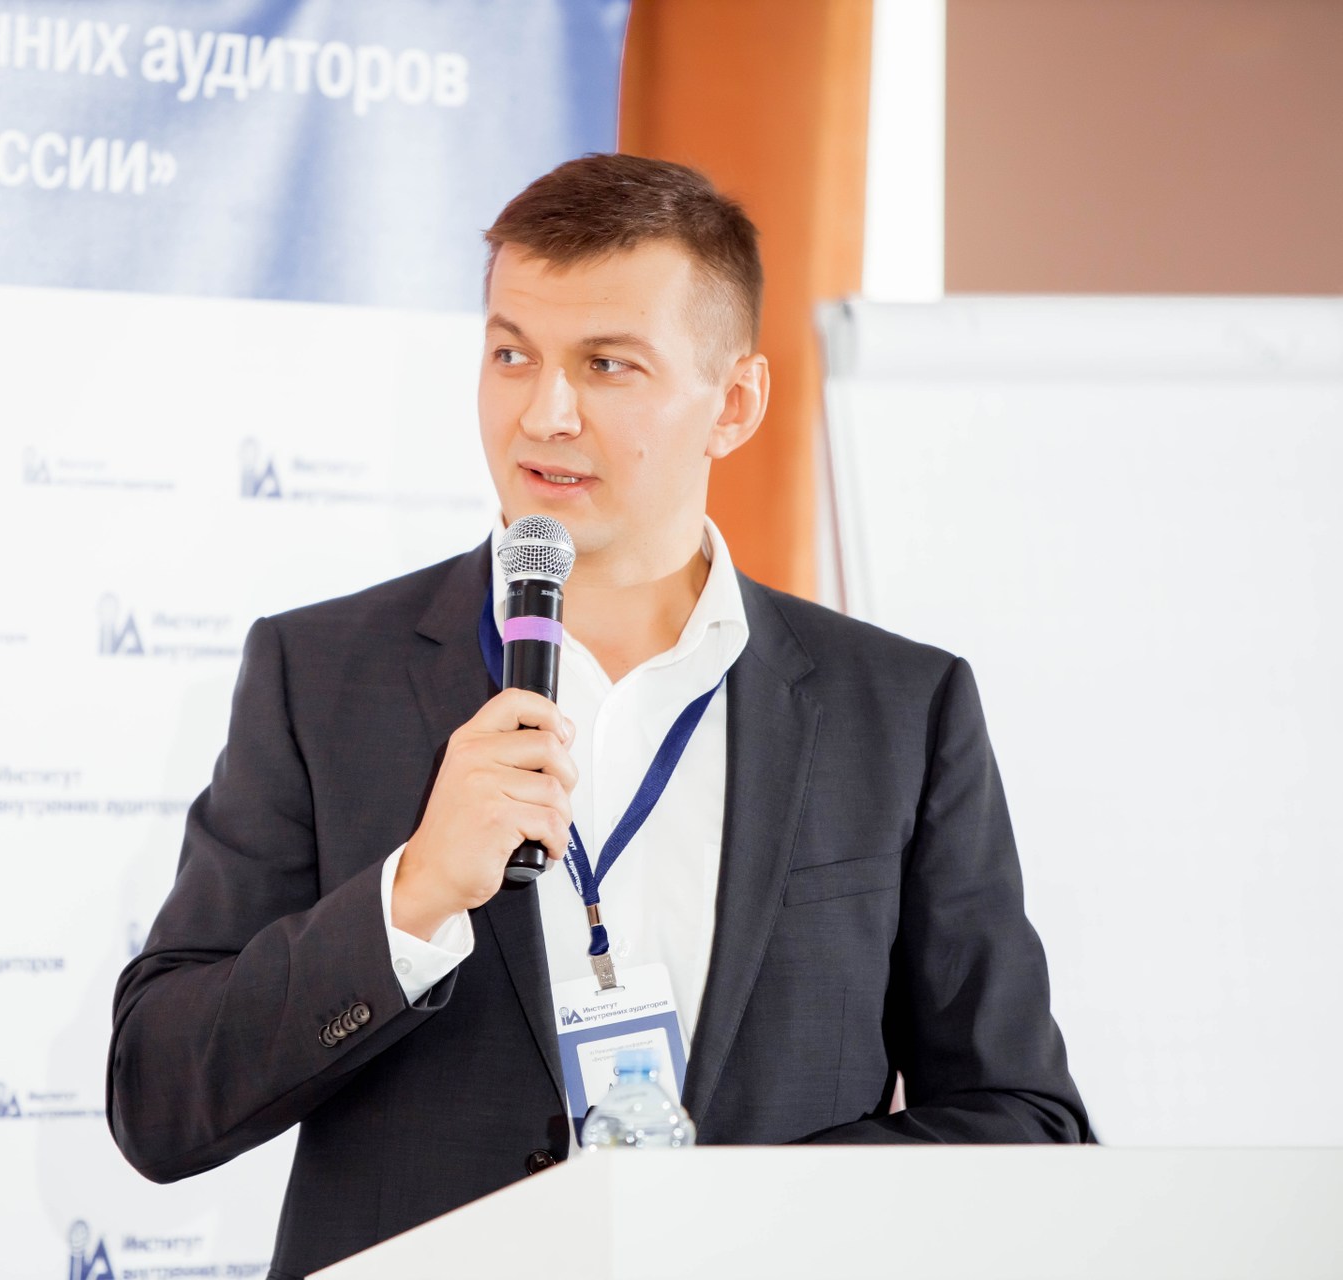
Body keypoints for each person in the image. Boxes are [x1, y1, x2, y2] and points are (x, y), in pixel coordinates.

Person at [108, 154, 1089, 1279]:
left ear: (734, 404)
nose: (545, 413)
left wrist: (737, 1219)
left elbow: (1024, 1123)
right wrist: (412, 896)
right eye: (511, 354)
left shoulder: (900, 710)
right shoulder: (321, 675)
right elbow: (158, 1099)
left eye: (607, 364)